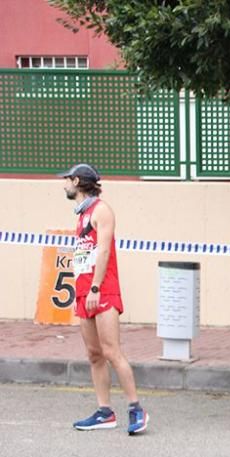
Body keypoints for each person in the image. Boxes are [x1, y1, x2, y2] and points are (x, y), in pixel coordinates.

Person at [60, 164, 149, 435]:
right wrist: (84, 289)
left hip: (102, 290)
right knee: (94, 354)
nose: (64, 185)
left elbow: (104, 250)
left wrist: (96, 288)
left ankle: (136, 409)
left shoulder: (101, 210)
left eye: (67, 180)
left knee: (111, 350)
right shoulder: (82, 213)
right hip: (85, 290)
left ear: (77, 181)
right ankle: (104, 411)